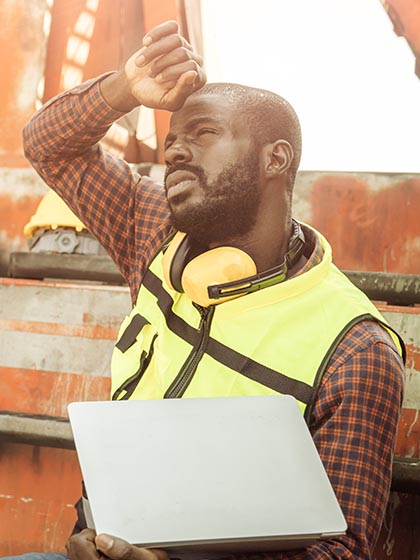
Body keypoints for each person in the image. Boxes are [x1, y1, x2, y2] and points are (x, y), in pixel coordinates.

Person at [18, 20, 405, 560]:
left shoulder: (355, 350)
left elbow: (342, 552)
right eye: (171, 140)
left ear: (276, 159)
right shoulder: (152, 230)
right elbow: (48, 146)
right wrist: (125, 88)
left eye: (202, 134)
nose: (174, 151)